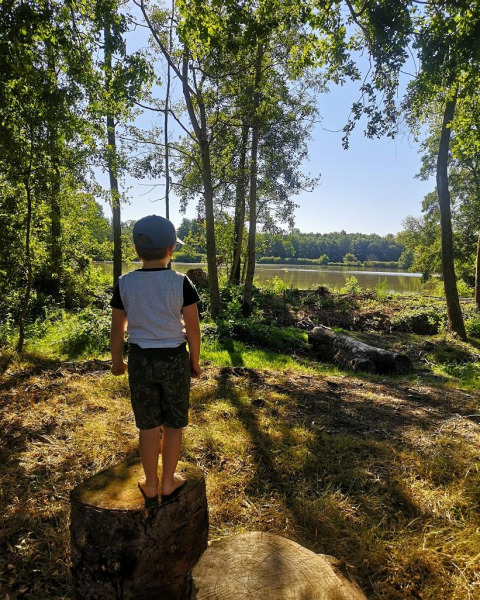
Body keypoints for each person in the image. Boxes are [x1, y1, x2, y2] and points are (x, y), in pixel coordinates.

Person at [109, 215, 202, 507]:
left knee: (148, 425)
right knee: (173, 424)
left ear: (136, 250)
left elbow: (117, 327)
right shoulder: (181, 282)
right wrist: (195, 362)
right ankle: (168, 480)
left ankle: (150, 483)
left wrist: (117, 361)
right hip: (174, 359)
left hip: (140, 360)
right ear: (172, 249)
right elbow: (193, 327)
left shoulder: (125, 283)